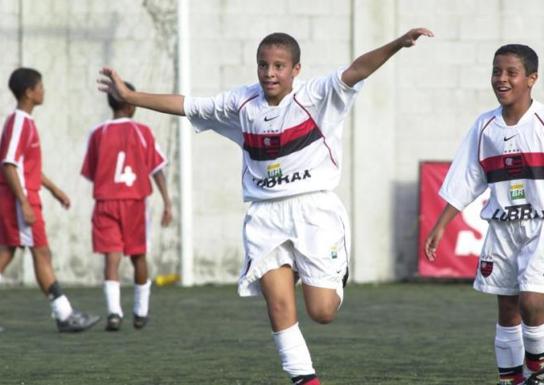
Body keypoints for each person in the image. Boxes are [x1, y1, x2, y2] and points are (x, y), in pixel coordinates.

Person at [98, 28, 433, 384]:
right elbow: (186, 104)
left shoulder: (318, 95)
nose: (269, 73)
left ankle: (330, 274)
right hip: (265, 216)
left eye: (278, 66)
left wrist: (397, 44)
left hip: (313, 212)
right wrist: (130, 95)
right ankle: (305, 378)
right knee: (278, 305)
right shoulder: (241, 103)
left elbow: (357, 69)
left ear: (296, 69)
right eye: (263, 65)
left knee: (321, 312)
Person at [424, 45, 544, 385]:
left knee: (531, 301)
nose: (501, 79)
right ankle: (511, 379)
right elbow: (467, 179)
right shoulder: (484, 125)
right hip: (502, 227)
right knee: (507, 307)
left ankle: (537, 371)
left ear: (532, 79)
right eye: (496, 72)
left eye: (511, 73)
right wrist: (441, 225)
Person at [0, 67, 100, 332]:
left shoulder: (25, 122)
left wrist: (55, 190)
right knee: (40, 252)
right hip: (20, 200)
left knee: (9, 252)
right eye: (40, 87)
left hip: (24, 197)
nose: (44, 91)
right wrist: (23, 202)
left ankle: (63, 314)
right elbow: (8, 165)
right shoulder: (19, 121)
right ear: (28, 93)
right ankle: (64, 315)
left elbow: (25, 167)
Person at [81, 81, 172, 331]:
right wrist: (167, 201)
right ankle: (140, 311)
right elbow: (157, 169)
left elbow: (91, 172)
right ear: (131, 104)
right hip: (134, 203)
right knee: (138, 255)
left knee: (112, 257)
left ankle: (114, 313)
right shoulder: (143, 132)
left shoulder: (97, 133)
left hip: (105, 202)